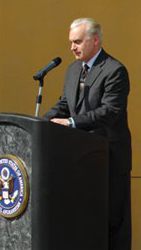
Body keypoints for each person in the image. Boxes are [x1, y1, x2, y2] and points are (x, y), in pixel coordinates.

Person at [42, 18, 131, 250]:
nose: (72, 47)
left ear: (95, 40)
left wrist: (71, 122)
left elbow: (109, 111)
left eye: (78, 41)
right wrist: (41, 122)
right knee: (83, 219)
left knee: (111, 220)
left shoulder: (115, 70)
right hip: (79, 159)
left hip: (108, 157)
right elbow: (64, 104)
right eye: (71, 42)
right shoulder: (73, 70)